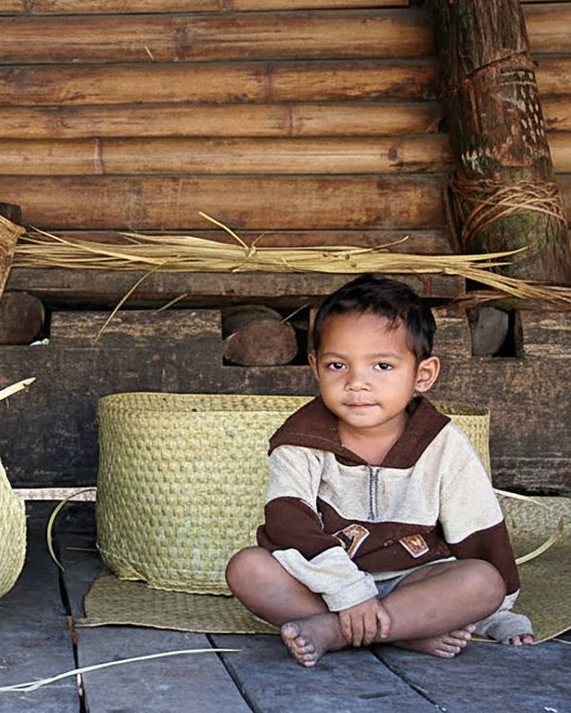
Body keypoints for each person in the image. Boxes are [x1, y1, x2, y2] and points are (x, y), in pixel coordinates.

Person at [224, 274, 533, 667]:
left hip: (415, 582)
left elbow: (479, 527)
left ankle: (336, 631)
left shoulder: (442, 443)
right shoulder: (299, 441)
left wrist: (498, 613)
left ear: (423, 375)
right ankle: (401, 633)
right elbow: (288, 525)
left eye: (382, 366)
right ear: (316, 367)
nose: (357, 383)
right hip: (325, 583)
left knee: (483, 581)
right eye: (338, 365)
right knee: (247, 568)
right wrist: (348, 592)